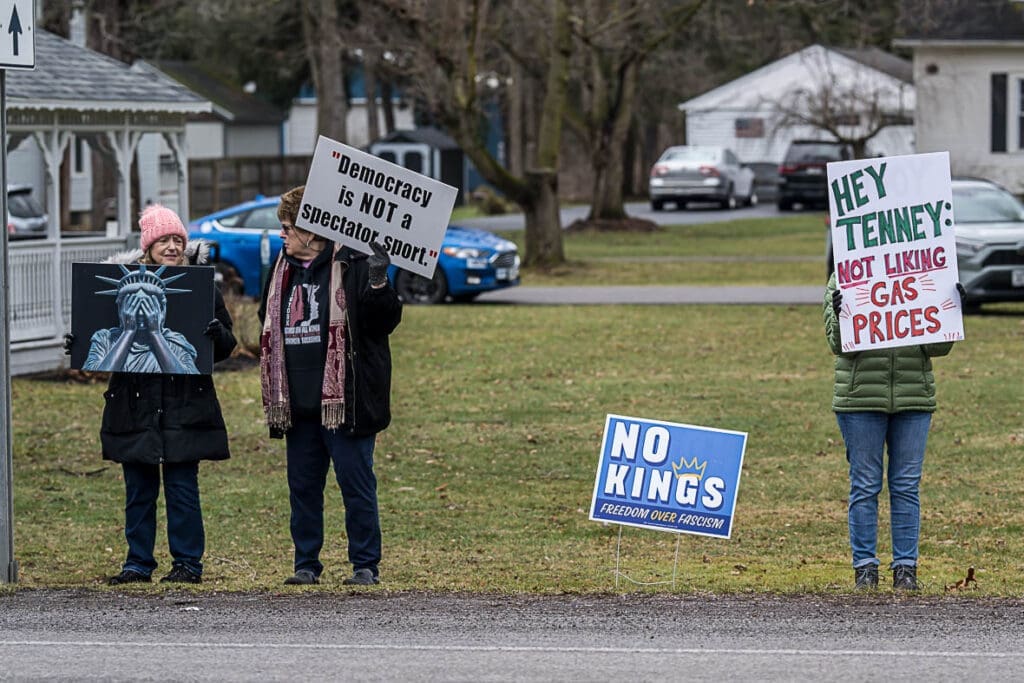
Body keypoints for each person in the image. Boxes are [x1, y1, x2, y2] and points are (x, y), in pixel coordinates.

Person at [65, 204, 236, 585]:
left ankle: (188, 562)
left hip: (185, 405)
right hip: (135, 404)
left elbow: (226, 346)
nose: (173, 247)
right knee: (138, 488)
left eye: (178, 240)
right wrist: (78, 342)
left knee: (181, 487)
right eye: (164, 240)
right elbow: (98, 354)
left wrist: (215, 335)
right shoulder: (123, 286)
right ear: (148, 246)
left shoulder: (202, 288)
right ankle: (138, 562)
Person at [258, 185, 402, 586]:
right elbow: (264, 318)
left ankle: (364, 565)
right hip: (298, 406)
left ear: (311, 230)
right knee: (303, 488)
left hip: (345, 402)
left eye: (287, 227)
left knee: (356, 485)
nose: (282, 235)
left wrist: (377, 283)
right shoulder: (280, 269)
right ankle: (306, 563)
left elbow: (383, 322)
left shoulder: (352, 264)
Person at [823, 274, 960, 591]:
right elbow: (838, 345)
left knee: (906, 486)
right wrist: (842, 312)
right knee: (865, 484)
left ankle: (905, 569)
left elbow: (939, 346)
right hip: (860, 399)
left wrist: (951, 307)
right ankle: (865, 570)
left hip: (913, 399)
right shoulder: (844, 276)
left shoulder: (925, 274)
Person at [83, 263, 199, 374]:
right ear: (120, 309)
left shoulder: (176, 344)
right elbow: (96, 376)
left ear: (162, 310)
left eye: (148, 305)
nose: (140, 313)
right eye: (133, 305)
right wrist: (127, 332)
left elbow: (187, 378)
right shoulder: (104, 339)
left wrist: (155, 333)